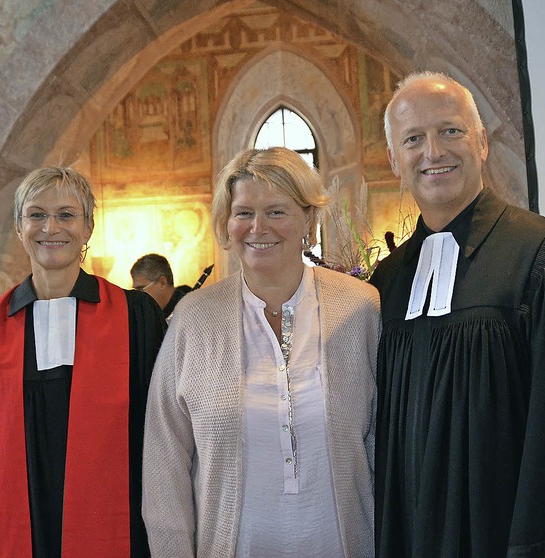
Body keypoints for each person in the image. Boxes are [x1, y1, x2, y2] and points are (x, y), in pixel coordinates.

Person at [370, 71, 545, 557]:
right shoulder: (386, 283)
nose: (433, 152)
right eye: (414, 139)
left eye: (450, 131)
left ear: (482, 142)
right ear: (394, 160)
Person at [142, 146, 380, 557]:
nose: (258, 227)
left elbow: (386, 443)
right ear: (227, 223)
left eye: (276, 211)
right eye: (243, 213)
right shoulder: (193, 319)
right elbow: (165, 460)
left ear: (308, 218)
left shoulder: (360, 308)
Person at [0, 167, 166, 557]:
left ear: (87, 228)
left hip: (116, 526)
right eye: (36, 215)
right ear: (19, 228)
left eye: (66, 215)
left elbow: (162, 439)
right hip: (12, 530)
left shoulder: (136, 318)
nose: (51, 227)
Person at [130, 253, 190, 324]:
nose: (137, 296)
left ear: (162, 282)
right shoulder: (151, 316)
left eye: (141, 289)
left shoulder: (191, 313)